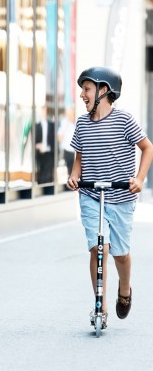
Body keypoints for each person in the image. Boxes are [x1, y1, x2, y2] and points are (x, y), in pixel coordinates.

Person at [67, 66, 153, 328]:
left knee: (120, 254)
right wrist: (74, 175)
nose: (82, 94)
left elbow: (147, 148)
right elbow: (79, 156)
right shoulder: (82, 123)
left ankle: (124, 290)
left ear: (104, 91)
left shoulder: (124, 120)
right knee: (97, 248)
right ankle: (100, 304)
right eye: (82, 89)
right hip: (92, 194)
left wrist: (139, 179)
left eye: (87, 89)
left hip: (121, 196)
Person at [35, 105, 55, 184]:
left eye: (46, 111)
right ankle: (41, 187)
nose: (44, 113)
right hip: (40, 152)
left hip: (49, 151)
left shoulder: (51, 124)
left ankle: (48, 188)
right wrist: (36, 145)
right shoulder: (37, 125)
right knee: (41, 171)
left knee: (48, 171)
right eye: (43, 111)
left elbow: (53, 138)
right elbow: (34, 139)